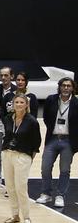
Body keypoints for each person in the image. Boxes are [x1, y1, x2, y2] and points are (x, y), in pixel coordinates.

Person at [3, 94, 40, 223]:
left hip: (22, 156)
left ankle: (27, 217)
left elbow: (37, 144)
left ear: (26, 105)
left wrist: (29, 159)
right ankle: (15, 215)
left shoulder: (32, 121)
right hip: (7, 154)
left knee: (21, 188)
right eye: (16, 102)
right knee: (10, 187)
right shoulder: (8, 118)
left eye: (21, 102)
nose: (18, 104)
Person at [36, 76, 73, 208]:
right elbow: (46, 117)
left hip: (68, 141)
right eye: (64, 85)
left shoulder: (76, 103)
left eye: (69, 86)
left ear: (72, 88)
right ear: (60, 87)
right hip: (52, 138)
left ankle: (60, 195)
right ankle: (46, 193)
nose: (66, 88)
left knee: (64, 170)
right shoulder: (51, 99)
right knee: (45, 167)